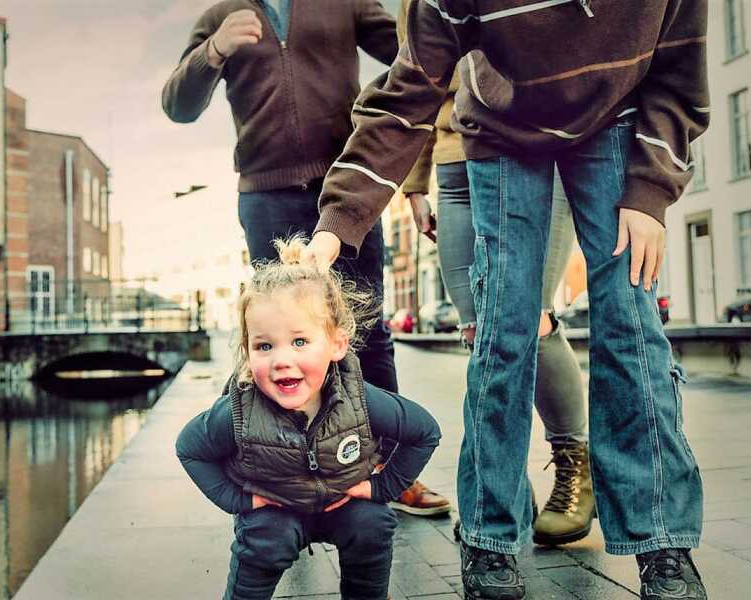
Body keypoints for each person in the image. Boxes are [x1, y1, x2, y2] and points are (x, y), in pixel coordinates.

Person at [304, 1, 709, 599]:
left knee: (630, 320)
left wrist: (649, 190)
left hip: (618, 111)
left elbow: (679, 69)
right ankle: (490, 540)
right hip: (502, 128)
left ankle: (663, 544)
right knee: (503, 330)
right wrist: (337, 221)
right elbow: (405, 94)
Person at [162, 0, 450, 516]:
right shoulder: (220, 16)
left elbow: (419, 54)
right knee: (278, 336)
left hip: (344, 188)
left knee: (368, 331)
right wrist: (214, 50)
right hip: (265, 195)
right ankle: (278, 470)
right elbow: (178, 105)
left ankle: (386, 468)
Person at [394, 0, 594, 548]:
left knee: (528, 317)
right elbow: (416, 75)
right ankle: (502, 487)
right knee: (479, 330)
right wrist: (415, 183)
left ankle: (575, 463)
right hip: (455, 165)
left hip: (529, 153)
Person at [176, 237, 442, 600]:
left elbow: (424, 432)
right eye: (264, 346)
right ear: (247, 350)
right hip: (276, 508)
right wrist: (237, 501)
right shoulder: (240, 409)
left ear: (336, 344)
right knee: (266, 538)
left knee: (373, 523)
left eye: (299, 341)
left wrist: (382, 488)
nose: (281, 359)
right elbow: (190, 448)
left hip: (343, 502)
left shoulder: (358, 398)